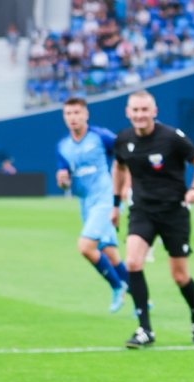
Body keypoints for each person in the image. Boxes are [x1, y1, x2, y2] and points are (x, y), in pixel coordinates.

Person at [111, 90, 194, 349]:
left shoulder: (171, 137)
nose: (140, 115)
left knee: (180, 276)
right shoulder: (123, 139)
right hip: (142, 211)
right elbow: (119, 167)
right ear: (128, 112)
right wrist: (116, 203)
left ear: (154, 112)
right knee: (133, 262)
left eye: (144, 110)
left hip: (174, 212)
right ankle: (144, 329)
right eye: (135, 110)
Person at [57, 98, 130, 312]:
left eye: (76, 112)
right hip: (86, 203)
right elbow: (64, 178)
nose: (73, 117)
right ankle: (141, 299)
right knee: (108, 252)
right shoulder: (63, 146)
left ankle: (117, 286)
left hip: (106, 199)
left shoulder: (101, 136)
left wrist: (125, 186)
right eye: (68, 113)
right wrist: (63, 182)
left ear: (86, 114)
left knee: (85, 247)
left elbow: (126, 156)